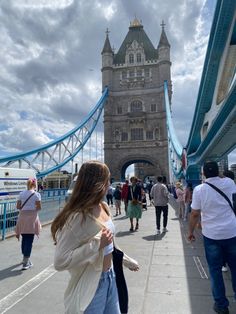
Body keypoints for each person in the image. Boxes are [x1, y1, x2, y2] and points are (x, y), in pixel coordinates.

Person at [51, 161, 139, 314]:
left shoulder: (103, 206)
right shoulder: (78, 216)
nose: (109, 184)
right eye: (107, 179)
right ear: (97, 183)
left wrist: (127, 261)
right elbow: (60, 261)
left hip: (111, 276)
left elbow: (110, 244)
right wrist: (97, 243)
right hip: (93, 283)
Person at [188, 161, 236, 314]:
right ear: (219, 171)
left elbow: (195, 214)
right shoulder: (229, 182)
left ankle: (221, 306)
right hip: (232, 232)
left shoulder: (199, 190)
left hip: (212, 235)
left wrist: (190, 232)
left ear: (203, 173)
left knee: (215, 271)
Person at [15, 178, 41, 270]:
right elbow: (39, 207)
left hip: (22, 218)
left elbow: (18, 206)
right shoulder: (37, 194)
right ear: (35, 185)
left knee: (24, 238)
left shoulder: (21, 194)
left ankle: (25, 258)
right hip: (32, 219)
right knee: (29, 240)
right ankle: (25, 262)